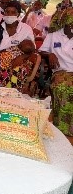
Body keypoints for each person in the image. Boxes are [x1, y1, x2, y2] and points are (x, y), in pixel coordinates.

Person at [0, 0, 36, 91]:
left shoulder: (26, 29)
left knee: (18, 72)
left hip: (19, 60)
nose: (9, 14)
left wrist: (22, 57)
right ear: (4, 13)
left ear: (18, 14)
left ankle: (8, 96)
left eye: (13, 12)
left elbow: (32, 49)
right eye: (7, 12)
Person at [38, 7, 73, 136]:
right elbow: (41, 50)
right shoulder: (54, 35)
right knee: (62, 87)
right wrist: (49, 55)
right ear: (64, 22)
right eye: (71, 24)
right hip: (61, 72)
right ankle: (61, 128)